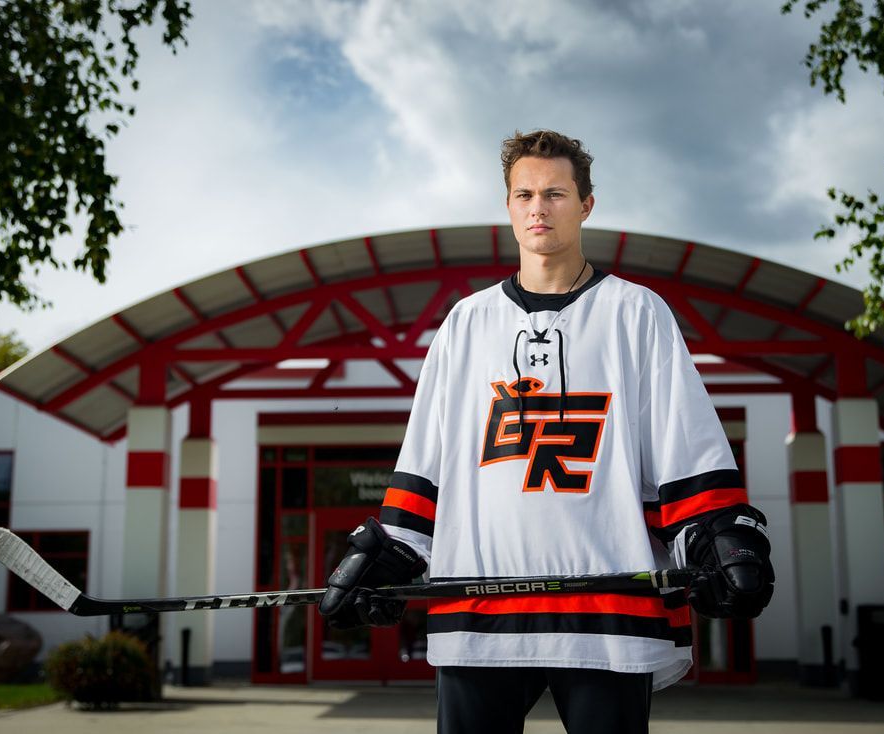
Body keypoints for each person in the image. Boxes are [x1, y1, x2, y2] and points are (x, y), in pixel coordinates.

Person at [319, 130, 774, 734]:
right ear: (508, 208)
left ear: (587, 204)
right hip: (479, 609)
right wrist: (399, 547)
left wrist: (717, 532)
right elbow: (428, 452)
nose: (539, 207)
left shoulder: (638, 313)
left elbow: (681, 442)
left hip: (607, 611)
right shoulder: (466, 323)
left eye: (556, 193)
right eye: (524, 194)